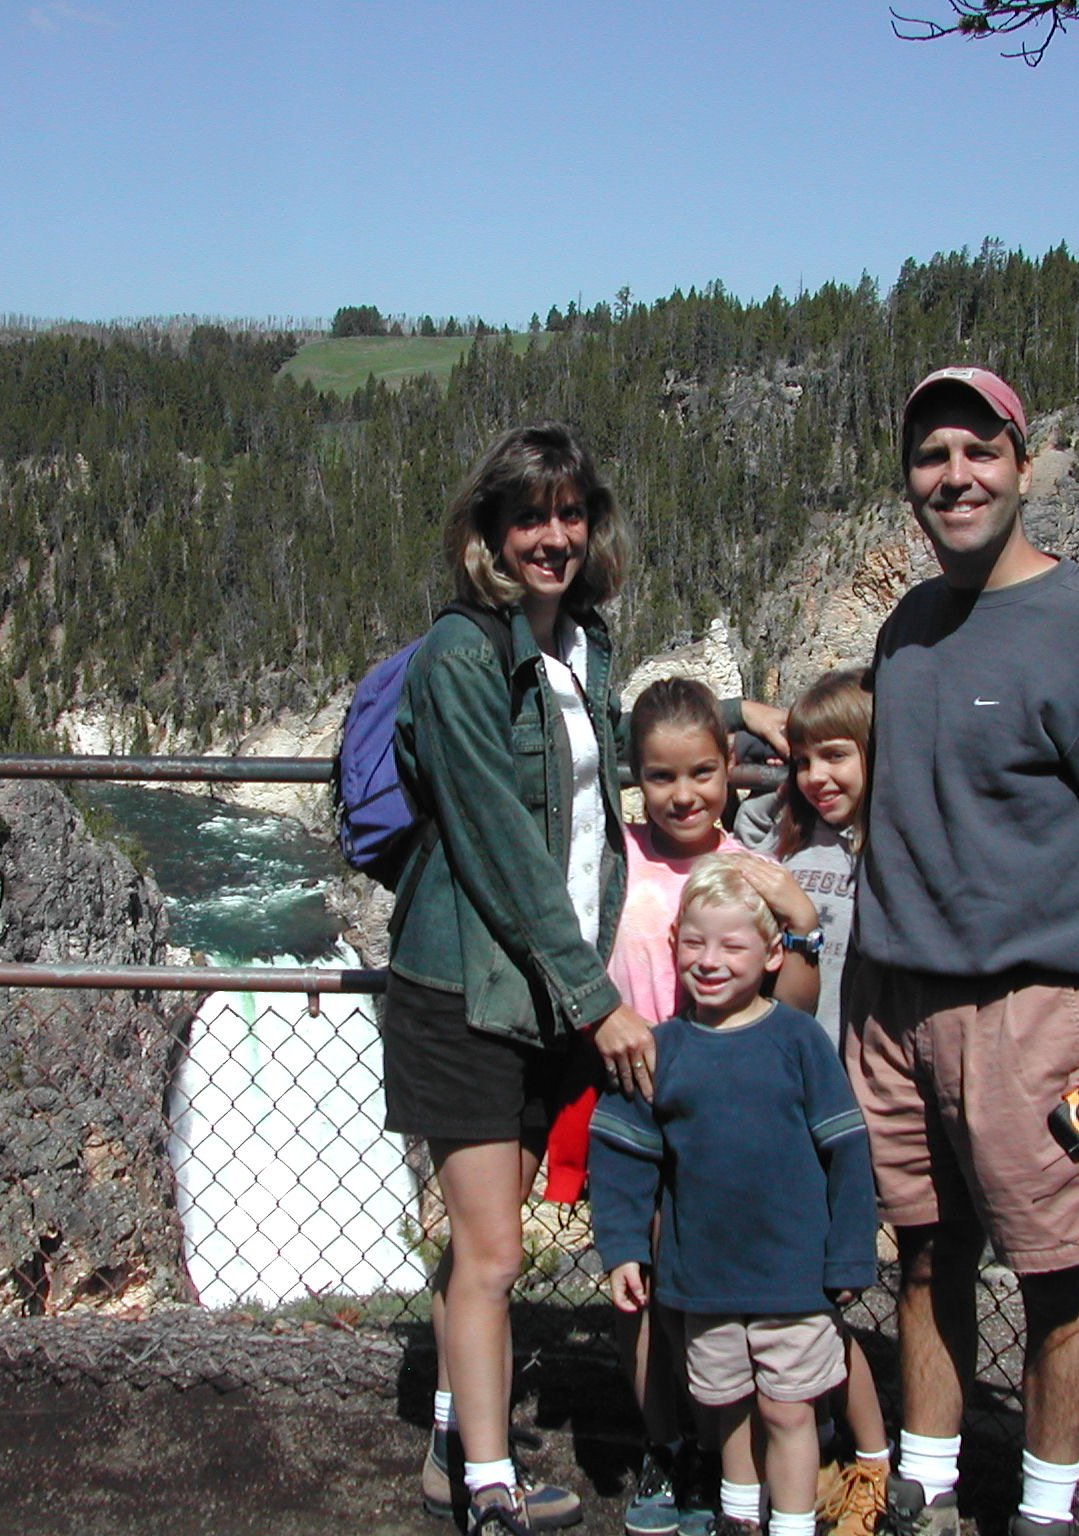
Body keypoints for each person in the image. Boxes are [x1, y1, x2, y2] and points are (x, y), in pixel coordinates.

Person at [853, 368, 1079, 1536]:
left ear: (1022, 459)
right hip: (893, 1007)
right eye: (929, 457)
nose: (952, 477)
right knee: (921, 1257)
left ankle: (1046, 1511)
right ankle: (928, 1481)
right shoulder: (907, 627)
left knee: (1057, 1279)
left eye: (976, 450)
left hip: (1031, 1014)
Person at [384, 422, 645, 1535]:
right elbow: (496, 839)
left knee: (475, 1251)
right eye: (528, 515)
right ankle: (484, 1488)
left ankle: (460, 1439)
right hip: (466, 990)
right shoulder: (458, 656)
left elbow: (590, 815)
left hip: (536, 988)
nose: (553, 536)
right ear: (486, 529)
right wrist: (596, 998)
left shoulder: (583, 648)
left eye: (569, 513)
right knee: (491, 1255)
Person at [591, 855, 879, 1536]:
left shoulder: (800, 1042)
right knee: (728, 1408)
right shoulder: (660, 1050)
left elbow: (846, 1152)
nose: (709, 960)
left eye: (731, 944)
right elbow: (625, 1156)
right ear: (673, 947)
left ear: (773, 953)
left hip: (793, 1276)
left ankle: (794, 1524)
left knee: (789, 1409)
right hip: (703, 1282)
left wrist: (848, 1256)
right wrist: (625, 1247)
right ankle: (740, 1517)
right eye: (694, 942)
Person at [600, 679, 823, 1536]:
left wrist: (798, 925)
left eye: (702, 771)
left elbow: (794, 1005)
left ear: (731, 770)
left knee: (715, 1289)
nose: (684, 794)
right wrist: (736, 707)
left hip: (727, 1112)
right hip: (631, 1095)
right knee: (643, 1285)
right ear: (635, 778)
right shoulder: (610, 860)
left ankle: (728, 1447)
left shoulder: (751, 874)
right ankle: (669, 1446)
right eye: (661, 776)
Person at [735, 669, 893, 1536]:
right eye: (804, 759)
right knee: (774, 1291)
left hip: (839, 1104)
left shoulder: (885, 854)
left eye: (839, 756)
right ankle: (819, 1449)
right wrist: (754, 722)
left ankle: (865, 1458)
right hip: (777, 1103)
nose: (817, 776)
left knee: (811, 1299)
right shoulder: (794, 845)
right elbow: (745, 830)